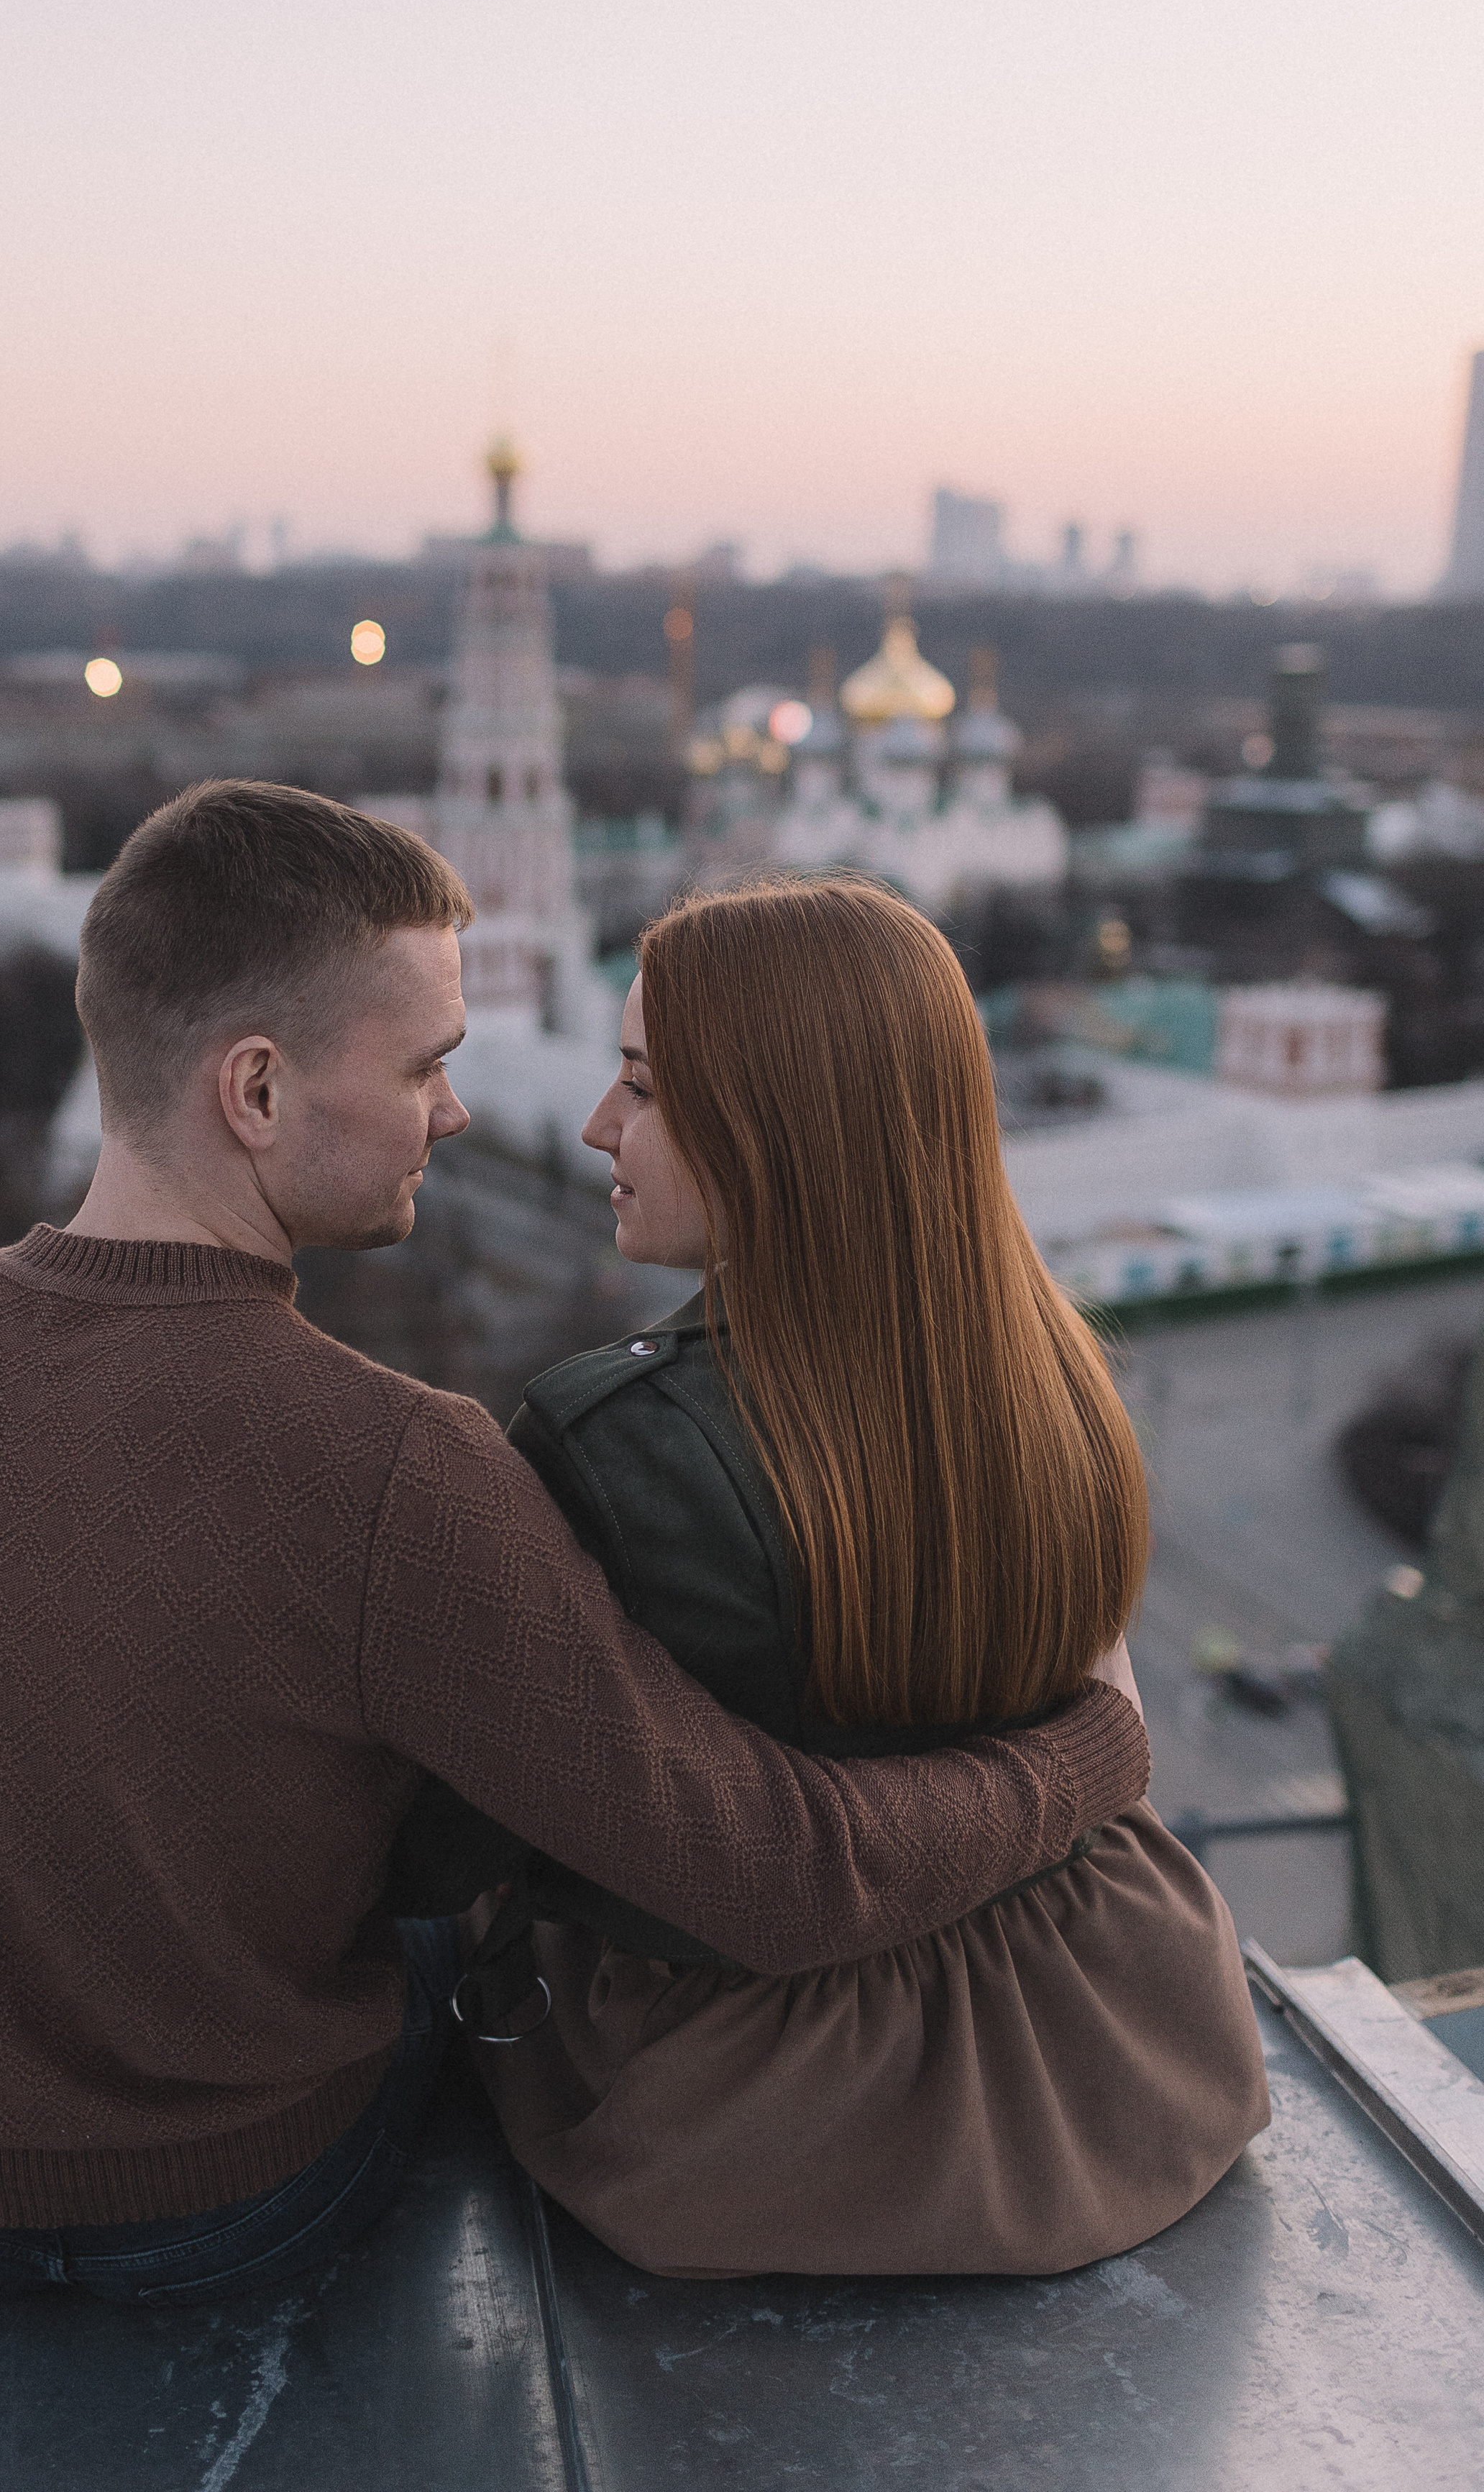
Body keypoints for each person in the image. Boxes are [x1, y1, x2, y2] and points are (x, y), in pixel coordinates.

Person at [0, 783, 1149, 2306]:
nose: (460, 1114)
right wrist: (1086, 1756)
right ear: (259, 1092)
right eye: (425, 1066)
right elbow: (773, 1882)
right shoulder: (388, 1464)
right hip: (224, 2199)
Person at [398, 875, 1268, 2279]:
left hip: (753, 2120)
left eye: (638, 1087)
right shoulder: (1057, 1381)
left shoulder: (612, 1445)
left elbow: (463, 1841)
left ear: (770, 1128)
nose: (593, 1128)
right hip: (1115, 2054)